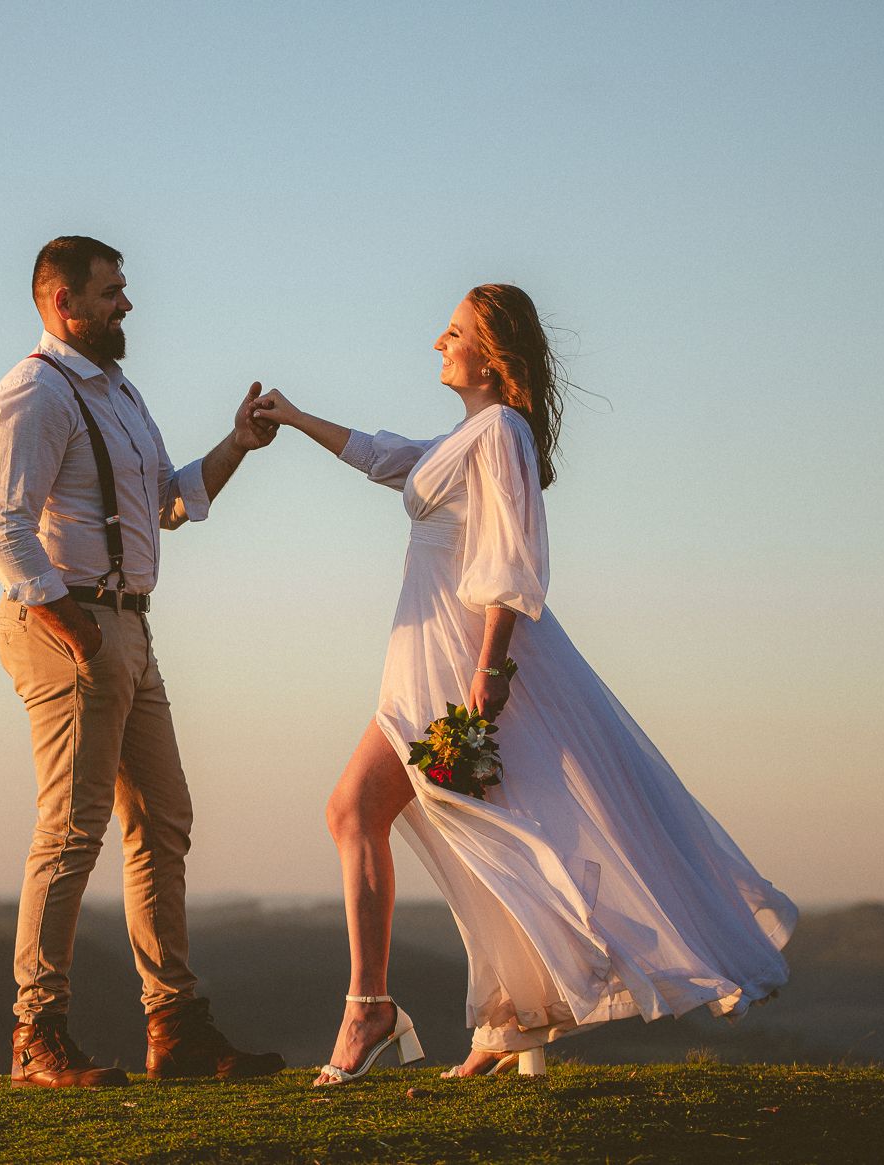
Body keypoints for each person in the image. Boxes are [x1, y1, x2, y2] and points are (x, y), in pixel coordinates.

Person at [250, 284, 795, 1085]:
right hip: (426, 662)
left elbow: (513, 556)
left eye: (456, 330)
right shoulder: (468, 436)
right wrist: (295, 418)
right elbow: (382, 454)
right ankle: (510, 1019)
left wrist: (491, 668)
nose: (440, 339)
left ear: (491, 353)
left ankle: (375, 1009)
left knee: (371, 811)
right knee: (474, 833)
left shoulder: (500, 430)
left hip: (459, 662)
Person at [0, 235, 286, 1088]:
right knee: (73, 826)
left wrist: (237, 445)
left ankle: (175, 1029)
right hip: (71, 623)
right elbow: (3, 530)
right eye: (112, 291)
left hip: (128, 627)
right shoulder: (33, 391)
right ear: (61, 302)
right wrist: (77, 632)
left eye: (124, 289)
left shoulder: (120, 393)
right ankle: (34, 1035)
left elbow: (167, 500)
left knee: (163, 816)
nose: (127, 304)